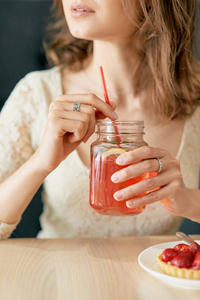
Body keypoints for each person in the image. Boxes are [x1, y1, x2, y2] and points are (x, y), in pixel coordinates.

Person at [0, 0, 199, 239]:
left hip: (154, 276)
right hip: (59, 275)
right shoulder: (36, 93)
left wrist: (191, 203)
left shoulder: (195, 96)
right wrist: (39, 163)